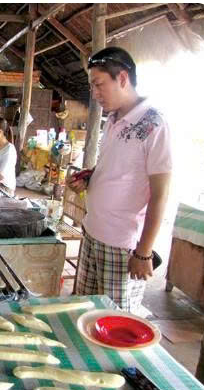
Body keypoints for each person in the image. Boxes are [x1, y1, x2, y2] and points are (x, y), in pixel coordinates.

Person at [67, 47, 175, 313]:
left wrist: (144, 252)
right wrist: (90, 177)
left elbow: (161, 194)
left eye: (98, 84)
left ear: (123, 78)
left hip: (121, 245)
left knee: (113, 319)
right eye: (92, 86)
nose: (95, 93)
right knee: (85, 312)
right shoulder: (113, 119)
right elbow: (118, 169)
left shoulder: (154, 124)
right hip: (92, 232)